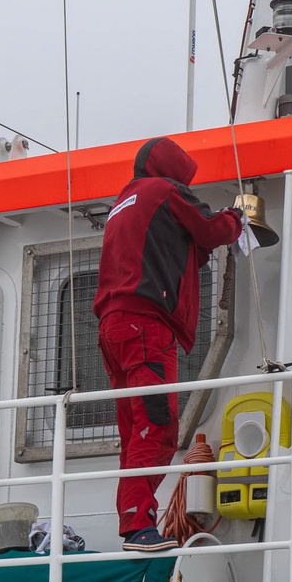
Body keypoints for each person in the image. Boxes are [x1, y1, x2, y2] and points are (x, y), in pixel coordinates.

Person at [93, 137, 243, 551]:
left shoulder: (124, 201)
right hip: (146, 327)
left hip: (113, 328)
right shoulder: (166, 191)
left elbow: (168, 250)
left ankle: (133, 522)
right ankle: (138, 529)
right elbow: (211, 230)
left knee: (135, 432)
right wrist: (238, 216)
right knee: (156, 429)